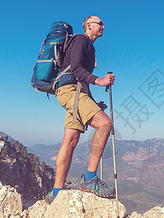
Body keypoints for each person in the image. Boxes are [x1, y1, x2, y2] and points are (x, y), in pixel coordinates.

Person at [45, 16, 116, 204]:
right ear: (89, 26)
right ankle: (90, 178)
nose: (103, 26)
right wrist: (100, 80)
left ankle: (56, 193)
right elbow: (76, 69)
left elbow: (82, 80)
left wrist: (93, 102)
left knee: (70, 140)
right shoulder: (81, 40)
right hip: (69, 91)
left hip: (74, 92)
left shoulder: (90, 48)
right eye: (100, 23)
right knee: (104, 124)